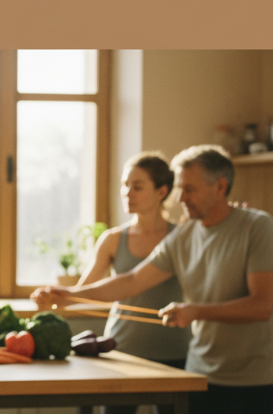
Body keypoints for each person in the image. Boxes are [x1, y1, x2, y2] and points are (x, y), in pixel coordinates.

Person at [33, 144, 273, 414]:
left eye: (189, 189)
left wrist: (194, 311)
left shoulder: (258, 226)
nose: (180, 197)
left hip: (253, 380)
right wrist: (68, 295)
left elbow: (261, 306)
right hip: (200, 374)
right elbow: (131, 281)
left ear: (220, 187)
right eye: (179, 187)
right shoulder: (183, 236)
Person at [76, 152, 190, 414]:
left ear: (161, 191)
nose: (128, 193)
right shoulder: (112, 239)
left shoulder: (183, 236)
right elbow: (85, 292)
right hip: (122, 351)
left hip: (175, 351)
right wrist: (62, 294)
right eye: (125, 185)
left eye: (137, 186)